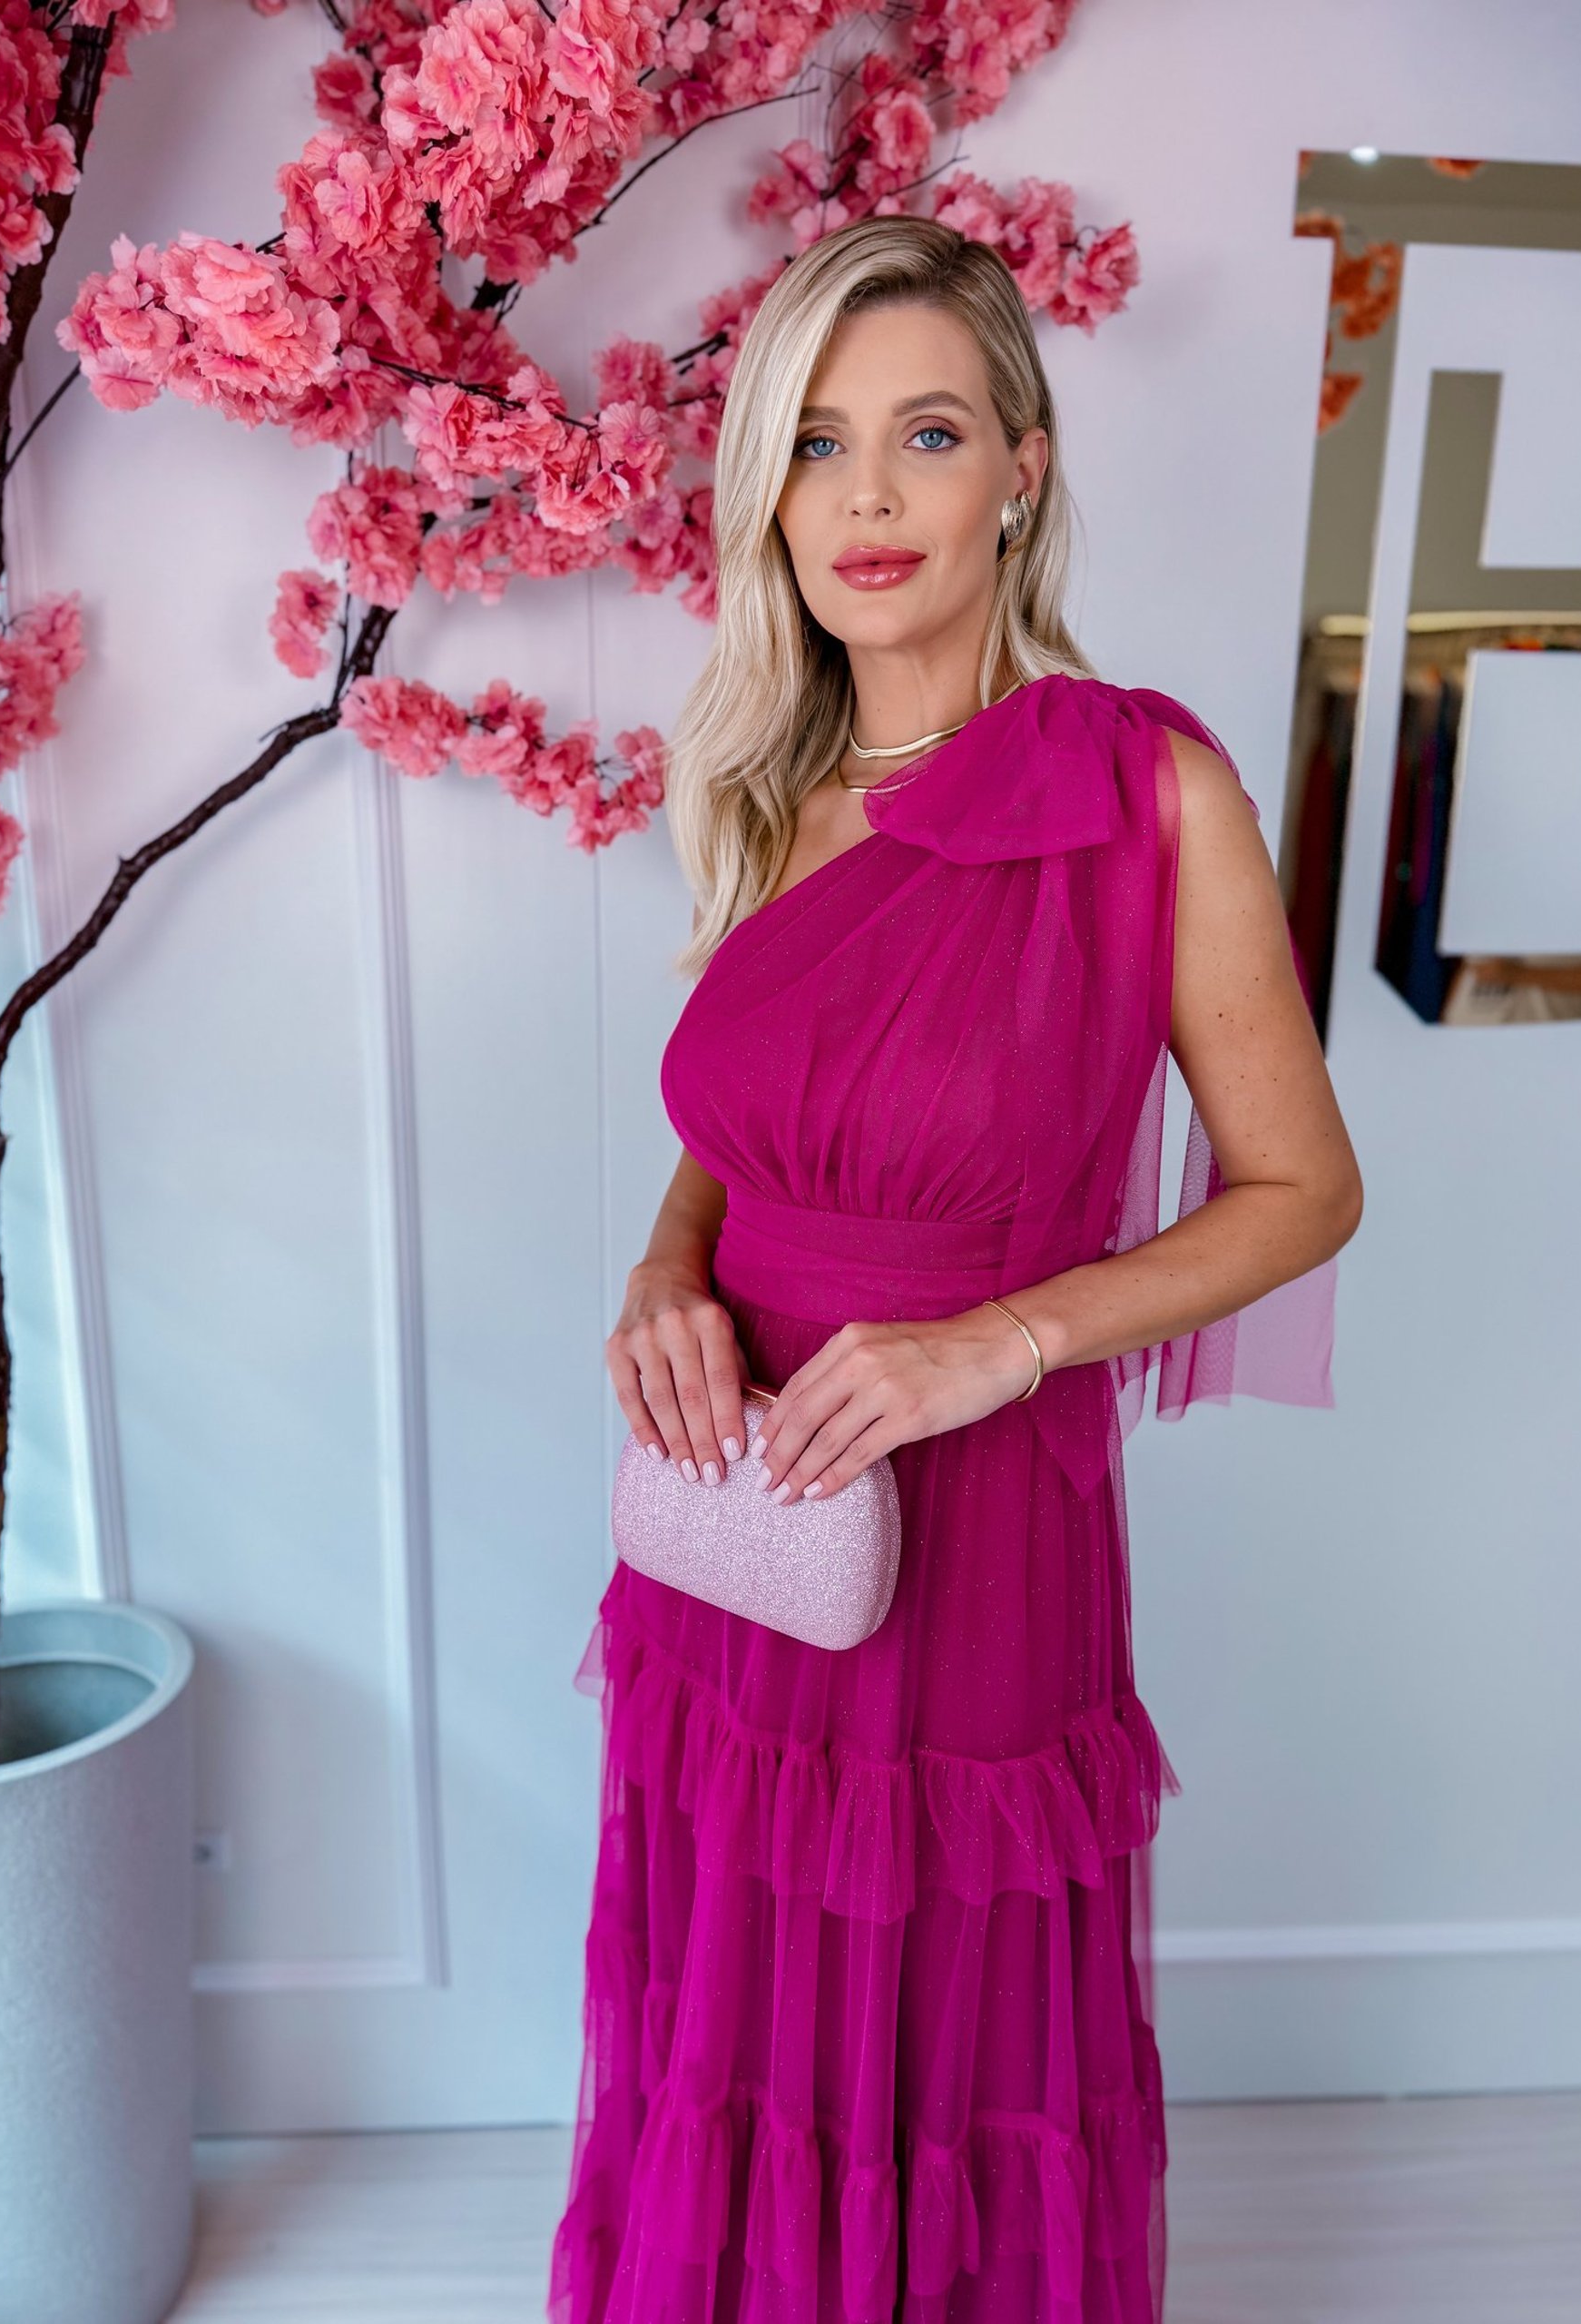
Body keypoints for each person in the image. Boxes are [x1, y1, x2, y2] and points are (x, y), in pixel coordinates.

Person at [549, 215, 1362, 2324]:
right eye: (817, 447)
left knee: (941, 2048)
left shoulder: (1146, 791)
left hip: (980, 1530)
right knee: (728, 2023)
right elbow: (740, 1132)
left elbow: (1300, 1186)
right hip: (736, 1523)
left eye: (922, 431)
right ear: (772, 499)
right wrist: (664, 1266)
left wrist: (998, 1344)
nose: (870, 496)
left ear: (1022, 459)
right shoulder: (773, 783)